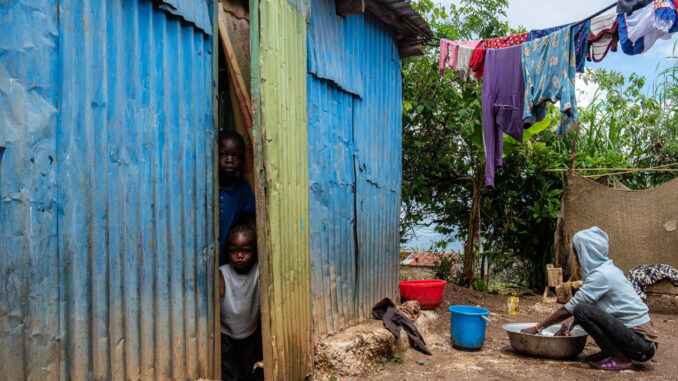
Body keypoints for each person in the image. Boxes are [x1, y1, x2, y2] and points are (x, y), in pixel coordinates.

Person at [521, 226, 658, 371]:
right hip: (639, 342)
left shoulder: (601, 276)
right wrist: (573, 321)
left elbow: (571, 308)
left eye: (577, 252)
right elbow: (601, 308)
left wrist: (537, 328)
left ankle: (621, 359)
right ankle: (611, 352)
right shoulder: (604, 271)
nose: (575, 257)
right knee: (580, 311)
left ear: (587, 252)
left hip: (643, 346)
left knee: (580, 309)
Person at [220, 224, 263, 381]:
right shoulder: (222, 273)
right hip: (225, 334)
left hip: (250, 334)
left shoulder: (260, 272)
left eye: (246, 250)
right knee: (227, 372)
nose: (239, 255)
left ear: (255, 252)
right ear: (227, 252)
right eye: (234, 251)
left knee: (248, 371)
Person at [218, 130, 256, 266]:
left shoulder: (242, 190)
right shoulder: (205, 188)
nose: (229, 160)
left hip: (230, 261)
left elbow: (255, 215)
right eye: (223, 154)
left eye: (236, 156)